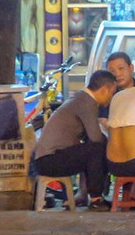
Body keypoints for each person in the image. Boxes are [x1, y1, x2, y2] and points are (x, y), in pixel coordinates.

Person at [32, 70, 118, 210]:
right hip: (49, 160)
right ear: (104, 89)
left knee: (94, 148)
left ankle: (93, 195)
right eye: (112, 93)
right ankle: (96, 199)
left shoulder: (80, 98)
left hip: (47, 158)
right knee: (96, 149)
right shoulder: (87, 103)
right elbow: (96, 138)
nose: (111, 98)